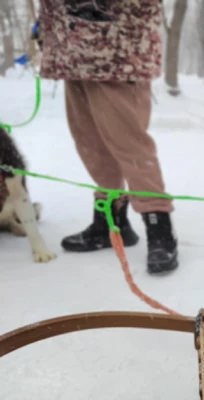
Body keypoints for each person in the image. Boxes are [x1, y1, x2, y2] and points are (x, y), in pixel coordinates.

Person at [35, 0, 178, 274]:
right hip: (71, 46)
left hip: (116, 42)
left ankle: (159, 226)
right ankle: (110, 221)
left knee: (129, 143)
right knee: (90, 142)